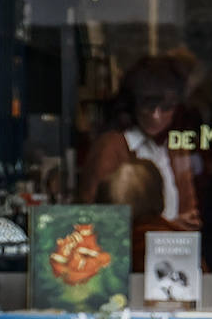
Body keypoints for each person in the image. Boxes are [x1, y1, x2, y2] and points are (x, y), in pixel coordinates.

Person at [79, 55, 201, 230]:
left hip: (173, 255)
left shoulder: (176, 147)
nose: (156, 116)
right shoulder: (111, 147)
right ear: (133, 103)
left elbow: (190, 215)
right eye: (148, 106)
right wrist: (169, 227)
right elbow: (95, 221)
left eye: (166, 107)